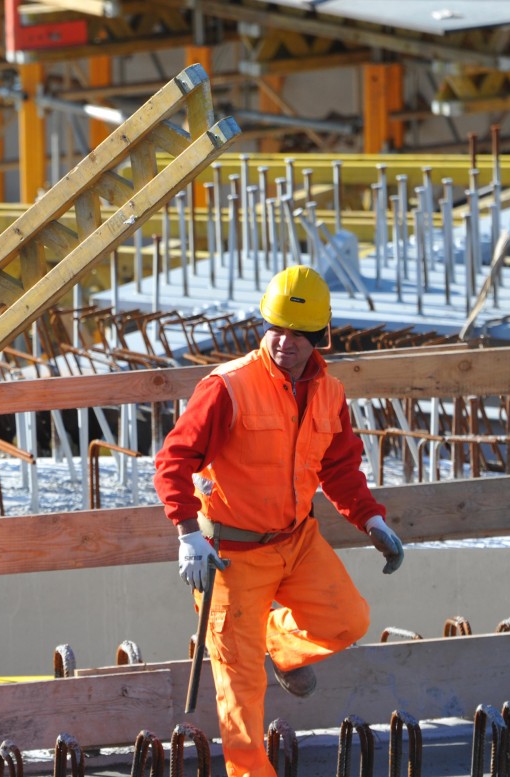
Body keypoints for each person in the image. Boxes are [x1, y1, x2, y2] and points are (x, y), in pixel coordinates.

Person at [153, 265, 405, 777]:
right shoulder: (227, 387)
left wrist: (371, 520)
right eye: (276, 329)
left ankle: (276, 645)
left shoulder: (330, 393)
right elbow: (172, 461)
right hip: (230, 556)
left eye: (297, 334)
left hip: (297, 541)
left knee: (348, 620)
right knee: (242, 698)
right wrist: (186, 535)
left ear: (319, 338)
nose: (284, 342)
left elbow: (337, 467)